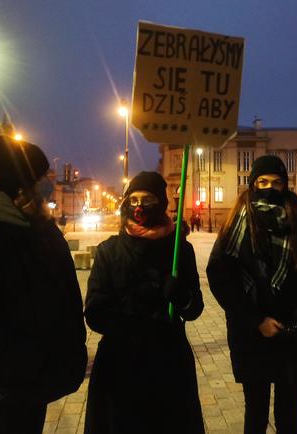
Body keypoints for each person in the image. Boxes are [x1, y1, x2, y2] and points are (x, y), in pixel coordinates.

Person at [0, 135, 87, 434]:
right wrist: (29, 361)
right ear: (22, 186)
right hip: (3, 390)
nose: (46, 186)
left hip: (28, 383)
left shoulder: (30, 224)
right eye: (40, 179)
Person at [84, 171, 204, 434]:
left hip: (169, 364)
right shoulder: (109, 251)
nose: (139, 207)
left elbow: (195, 308)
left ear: (161, 203)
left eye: (147, 199)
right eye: (133, 199)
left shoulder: (179, 250)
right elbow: (94, 311)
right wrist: (130, 324)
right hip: (120, 366)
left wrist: (181, 296)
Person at [207, 155, 297, 434]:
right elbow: (222, 278)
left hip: (292, 335)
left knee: (288, 417)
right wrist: (256, 320)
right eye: (263, 181)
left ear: (286, 184)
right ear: (253, 183)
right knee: (255, 414)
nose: (270, 187)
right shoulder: (236, 224)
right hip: (252, 334)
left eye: (277, 182)